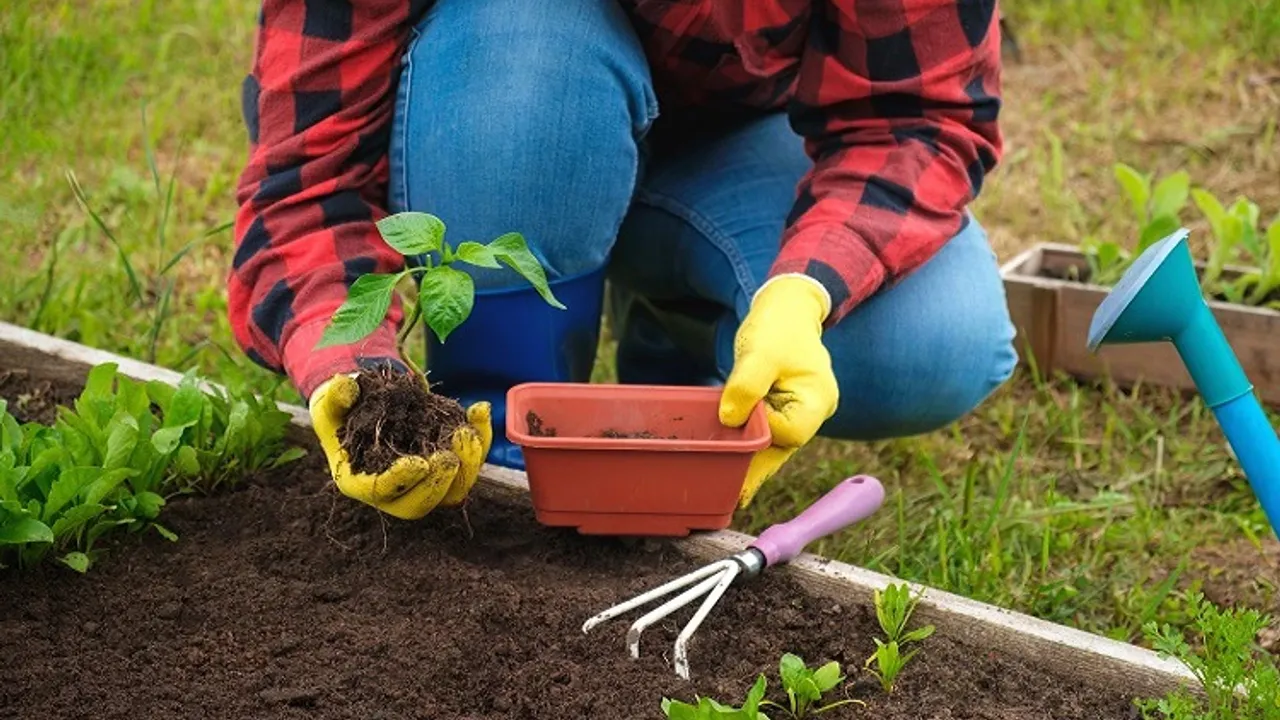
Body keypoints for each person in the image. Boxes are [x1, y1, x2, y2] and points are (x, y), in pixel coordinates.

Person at [230, 0, 1019, 521]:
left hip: (730, 149)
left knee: (924, 340)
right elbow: (307, 184)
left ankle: (679, 334)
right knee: (524, 53)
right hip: (499, 116)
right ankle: (498, 450)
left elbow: (916, 118)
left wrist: (802, 292)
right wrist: (358, 376)